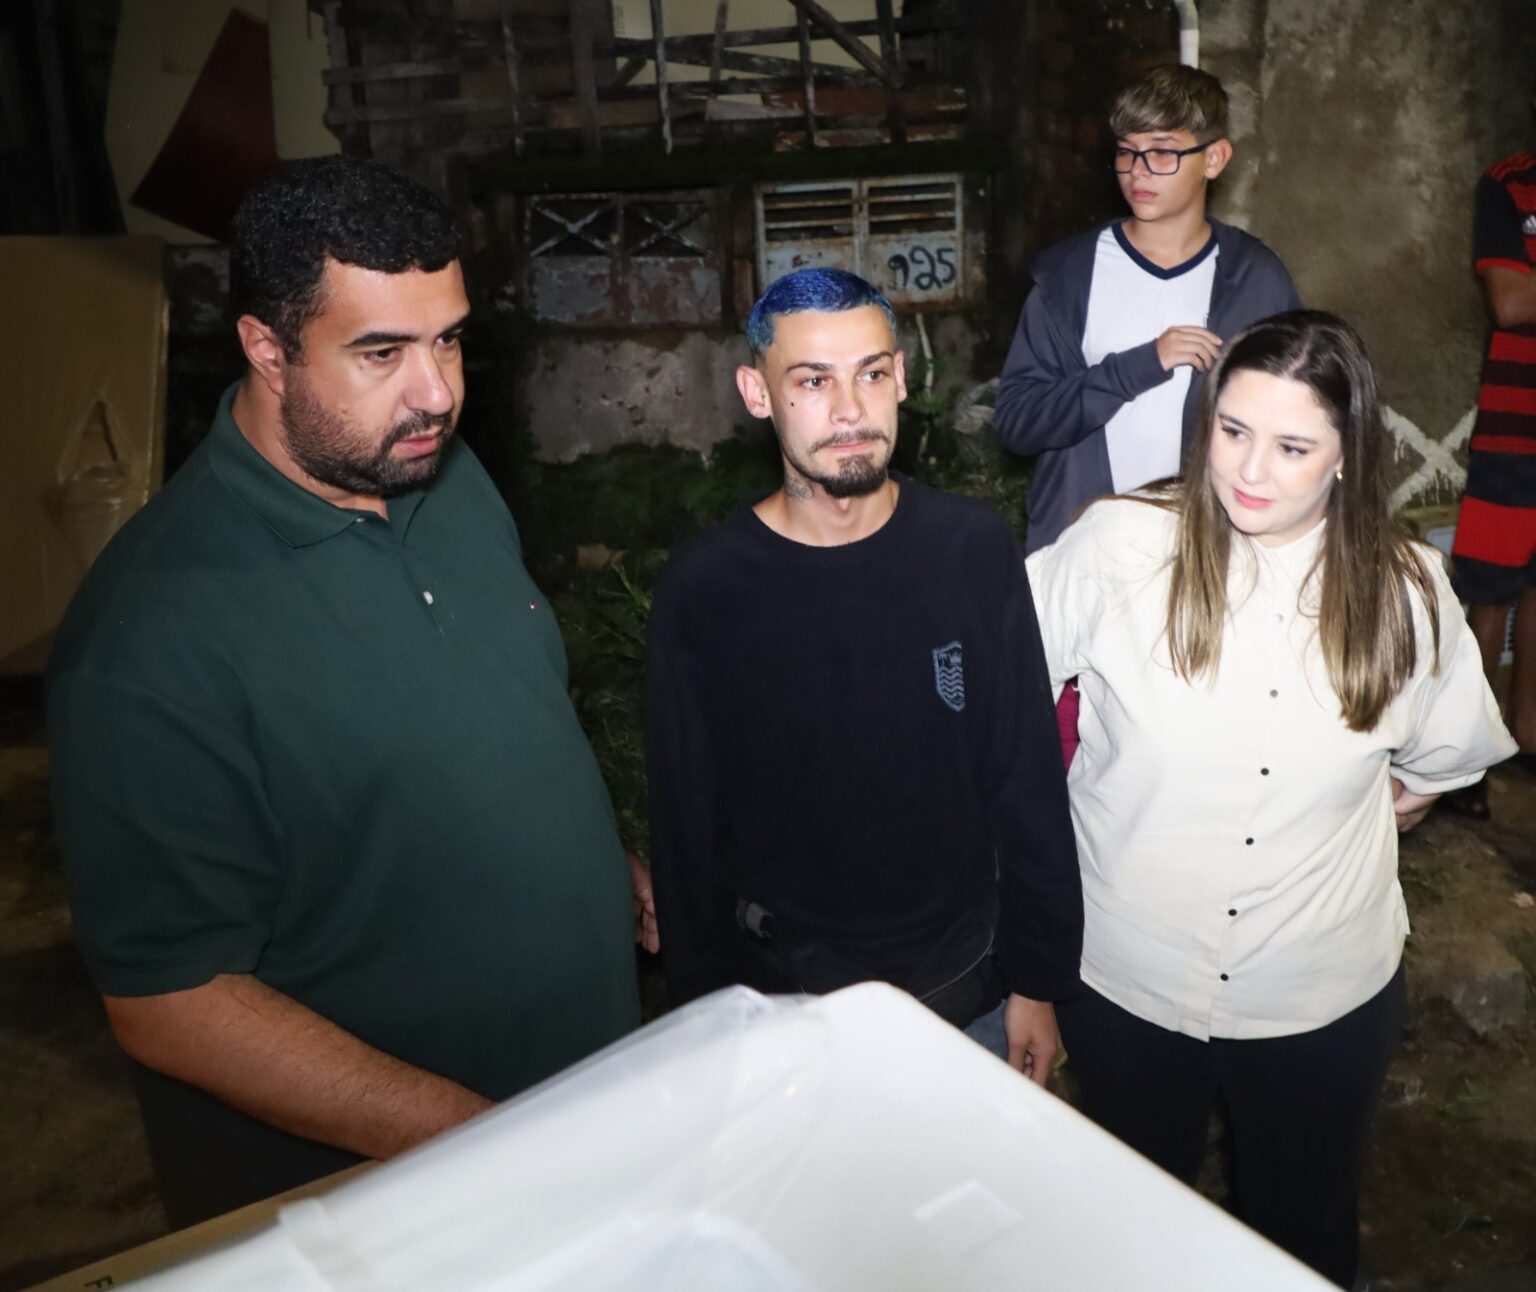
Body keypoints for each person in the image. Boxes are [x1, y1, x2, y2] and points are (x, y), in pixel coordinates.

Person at [47, 156, 651, 1228]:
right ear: (265, 348)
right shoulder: (150, 635)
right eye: (381, 352)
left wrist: (591, 866)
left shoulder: (436, 473)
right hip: (397, 1194)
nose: (438, 393)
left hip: (589, 1112)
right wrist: (477, 1136)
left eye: (448, 339)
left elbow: (482, 710)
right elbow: (172, 1000)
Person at [1026, 310, 1516, 1287]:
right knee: (1132, 1222)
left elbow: (1439, 762)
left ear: (1347, 455)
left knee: (1303, 1230)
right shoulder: (1119, 548)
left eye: (1293, 446)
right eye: (1233, 430)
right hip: (1127, 977)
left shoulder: (1409, 591)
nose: (1251, 470)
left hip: (1317, 994)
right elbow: (1001, 709)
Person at [645, 268, 1082, 1082]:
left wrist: (1038, 978)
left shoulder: (970, 551)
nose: (850, 410)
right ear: (757, 393)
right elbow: (686, 833)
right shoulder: (706, 590)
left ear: (903, 379)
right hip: (784, 1007)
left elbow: (1025, 778)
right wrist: (705, 1020)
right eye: (813, 382)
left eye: (872, 374)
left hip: (968, 992)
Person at [993, 63, 1300, 555]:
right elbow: (1017, 423)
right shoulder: (1069, 276)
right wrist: (1138, 367)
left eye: (1161, 152)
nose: (1138, 171)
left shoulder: (1256, 280)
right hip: (1085, 552)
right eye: (1126, 151)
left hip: (1212, 552)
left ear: (1214, 158)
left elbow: (1299, 424)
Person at [1444, 125, 1536, 816]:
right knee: (1490, 588)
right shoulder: (1509, 184)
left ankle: (1526, 737)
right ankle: (1464, 760)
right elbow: (1511, 303)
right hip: (1515, 424)